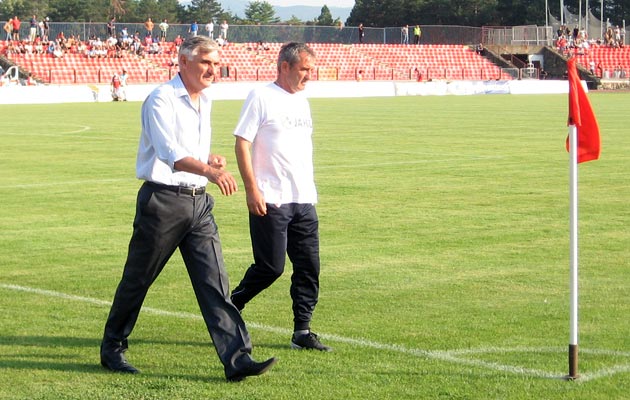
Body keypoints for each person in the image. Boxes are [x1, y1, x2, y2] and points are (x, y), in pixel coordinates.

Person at [99, 36, 277, 382]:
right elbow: (170, 153)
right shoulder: (161, 99)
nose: (213, 70)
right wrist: (210, 171)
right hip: (163, 203)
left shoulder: (204, 99)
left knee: (215, 283)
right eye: (206, 62)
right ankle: (112, 347)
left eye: (216, 63)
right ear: (182, 62)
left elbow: (187, 150)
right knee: (138, 279)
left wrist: (208, 159)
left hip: (198, 204)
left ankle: (238, 359)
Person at [230, 42, 332, 352]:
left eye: (311, 70)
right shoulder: (261, 96)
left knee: (309, 267)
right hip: (271, 198)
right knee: (270, 267)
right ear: (284, 67)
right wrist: (252, 189)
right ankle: (232, 304)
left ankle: (302, 331)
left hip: (303, 198)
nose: (309, 76)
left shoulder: (302, 101)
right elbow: (242, 143)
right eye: (304, 69)